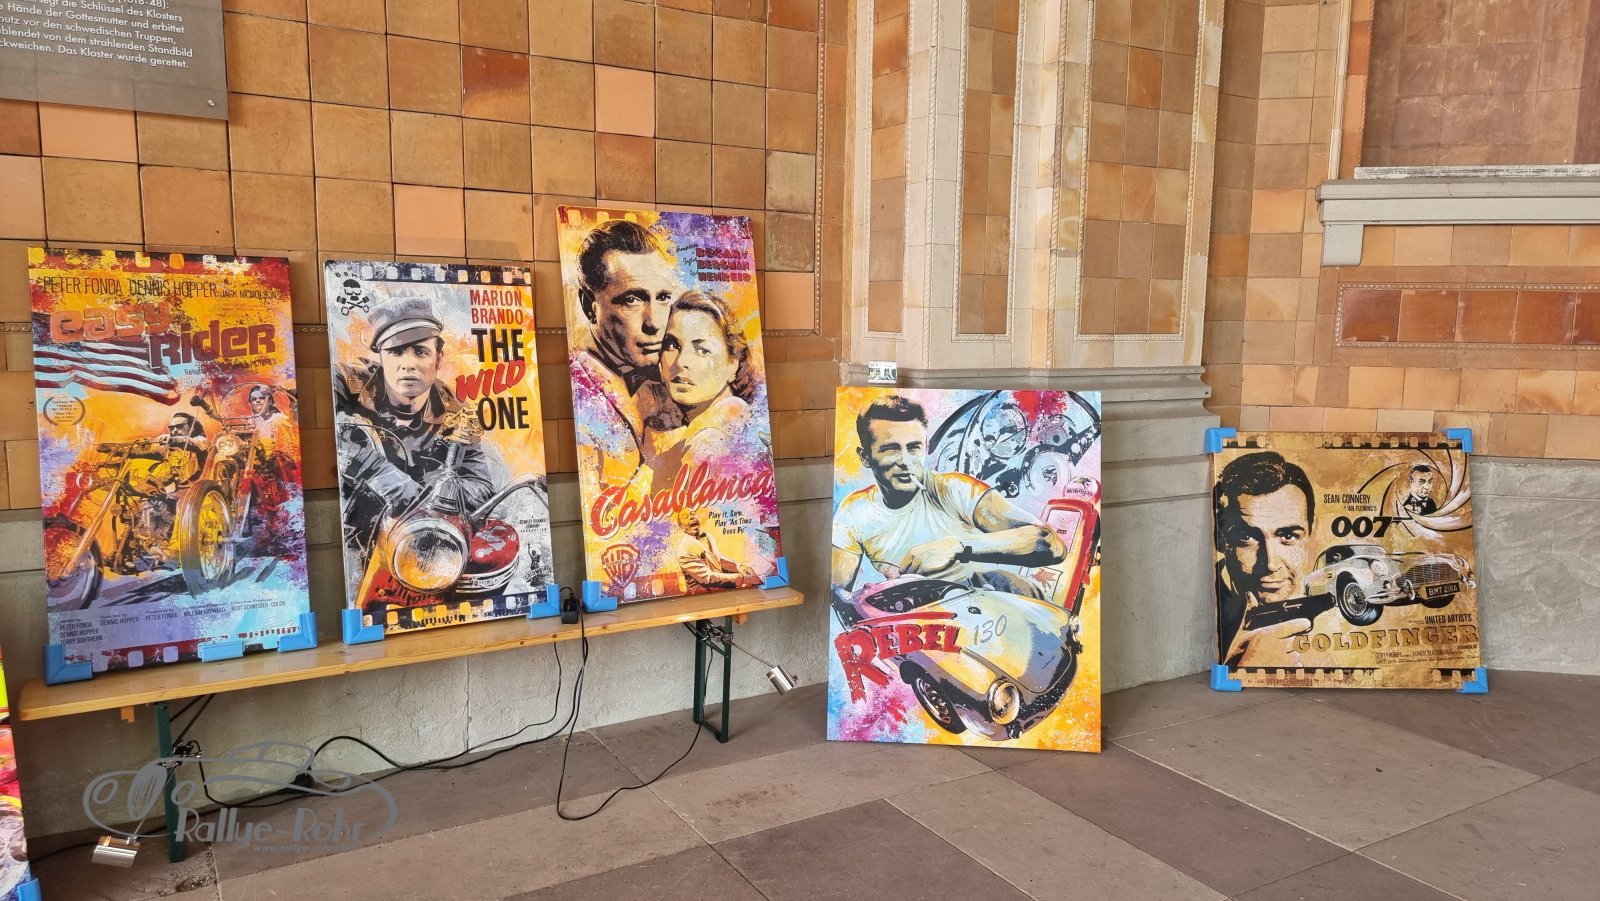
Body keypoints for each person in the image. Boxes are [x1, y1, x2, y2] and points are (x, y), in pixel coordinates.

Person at [831, 396, 1067, 616]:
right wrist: (876, 598)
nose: (905, 461)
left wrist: (957, 547)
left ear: (926, 448)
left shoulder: (954, 490)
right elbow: (838, 597)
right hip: (928, 629)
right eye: (890, 449)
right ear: (865, 457)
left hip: (1002, 614)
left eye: (913, 448)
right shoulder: (855, 512)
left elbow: (1051, 545)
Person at [334, 295, 495, 541]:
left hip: (420, 538)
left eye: (421, 352)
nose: (408, 364)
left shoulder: (457, 413)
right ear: (381, 357)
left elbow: (482, 487)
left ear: (438, 359)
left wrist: (438, 490)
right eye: (396, 351)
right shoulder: (345, 382)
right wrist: (384, 475)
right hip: (355, 532)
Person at [571, 218, 685, 485]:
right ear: (589, 307)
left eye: (663, 298)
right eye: (632, 300)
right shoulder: (580, 394)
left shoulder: (675, 374)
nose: (655, 323)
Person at [640, 292, 762, 479]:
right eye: (672, 345)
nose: (681, 362)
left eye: (702, 350)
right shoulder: (693, 429)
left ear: (733, 364)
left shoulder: (709, 443)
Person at [1213, 451, 1316, 662]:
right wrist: (1243, 665)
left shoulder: (1328, 604)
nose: (1270, 563)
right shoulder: (1205, 605)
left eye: (1288, 536)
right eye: (1247, 537)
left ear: (1310, 534)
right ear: (1221, 539)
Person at [676, 509, 757, 589]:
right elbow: (708, 578)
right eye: (686, 517)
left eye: (693, 513)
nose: (691, 517)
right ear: (681, 527)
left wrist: (739, 567)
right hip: (705, 592)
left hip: (720, 586)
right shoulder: (684, 550)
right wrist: (742, 578)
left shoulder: (708, 536)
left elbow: (717, 560)